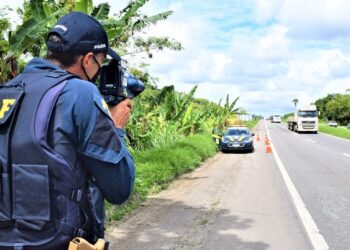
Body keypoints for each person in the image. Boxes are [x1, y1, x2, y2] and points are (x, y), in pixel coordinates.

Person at [0, 12, 135, 249]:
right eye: (99, 64)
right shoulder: (80, 93)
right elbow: (119, 188)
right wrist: (116, 129)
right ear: (87, 60)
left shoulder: (7, 91)